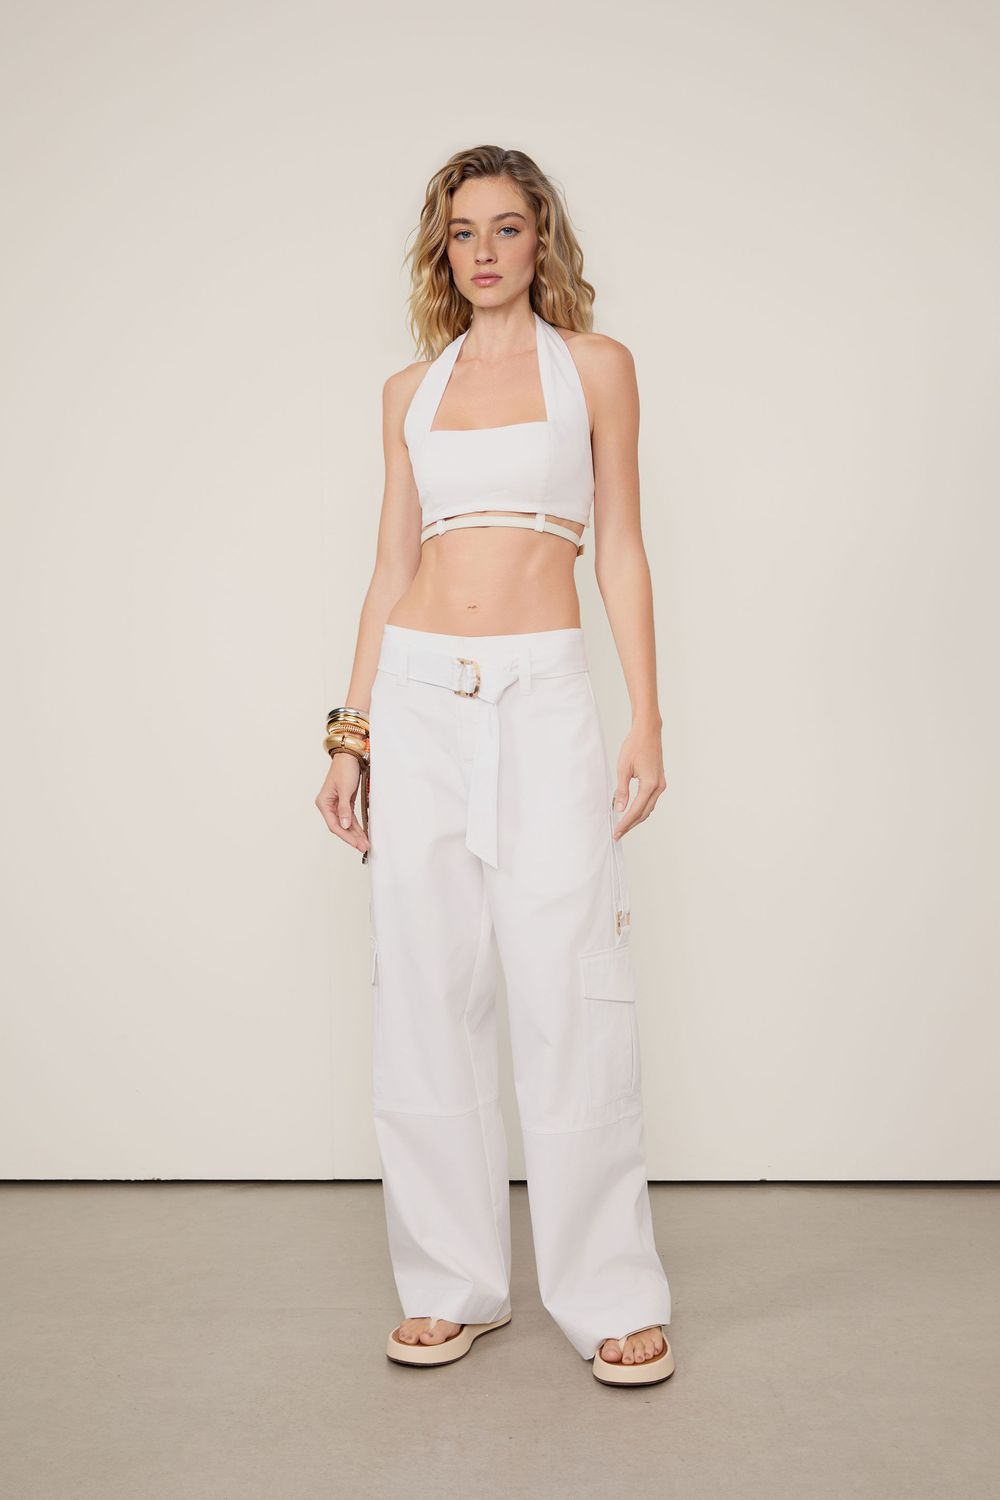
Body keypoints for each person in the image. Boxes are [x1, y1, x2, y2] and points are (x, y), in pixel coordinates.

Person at [316, 144, 675, 1387]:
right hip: (416, 697)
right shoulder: (407, 393)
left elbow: (618, 545)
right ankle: (451, 1285)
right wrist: (349, 732)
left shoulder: (596, 369)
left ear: (540, 241)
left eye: (506, 228)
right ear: (443, 249)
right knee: (425, 989)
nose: (483, 251)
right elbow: (389, 568)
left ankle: (610, 1294)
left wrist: (646, 719)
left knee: (571, 988)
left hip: (543, 692)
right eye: (463, 231)